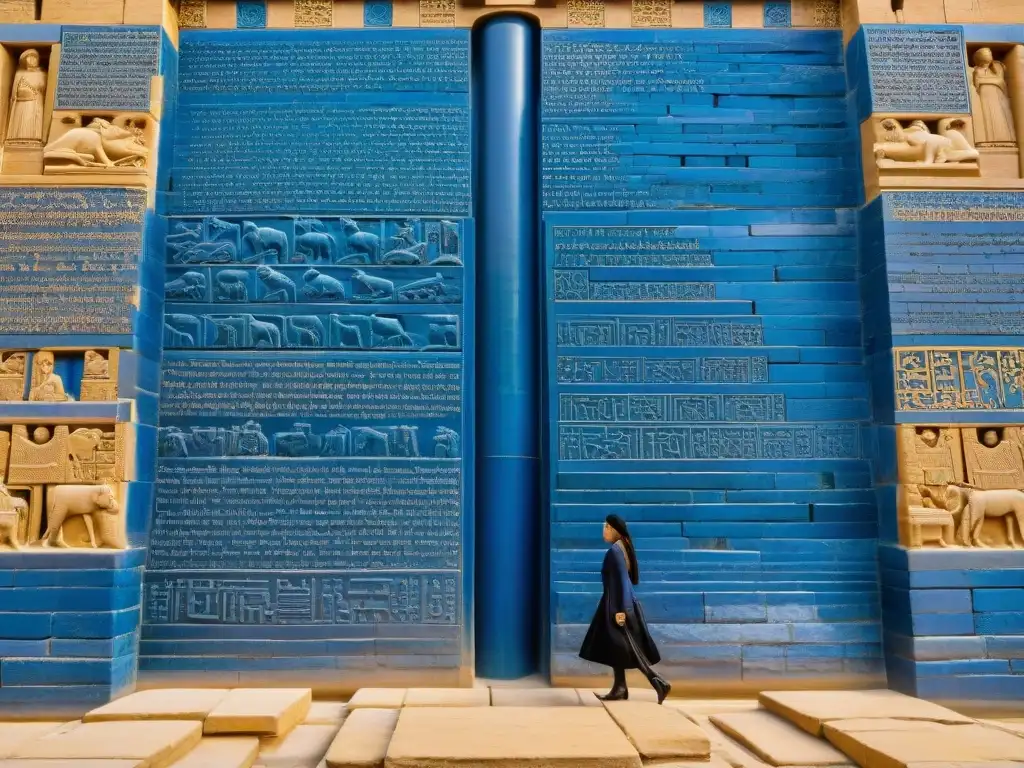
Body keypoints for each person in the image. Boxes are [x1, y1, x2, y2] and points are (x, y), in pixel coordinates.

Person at [579, 514, 671, 703]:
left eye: (605, 527)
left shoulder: (615, 550)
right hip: (616, 603)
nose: (603, 530)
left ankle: (659, 682)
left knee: (629, 648)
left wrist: (619, 611)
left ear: (613, 529)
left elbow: (621, 581)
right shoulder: (622, 548)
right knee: (616, 647)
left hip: (618, 606)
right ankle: (620, 688)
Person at [6, 49, 46, 144]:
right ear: (25, 61)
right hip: (20, 102)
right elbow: (14, 91)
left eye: (34, 58)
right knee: (19, 121)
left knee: (31, 120)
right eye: (29, 58)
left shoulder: (42, 74)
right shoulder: (19, 74)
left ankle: (33, 139)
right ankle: (15, 138)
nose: (32, 60)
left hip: (34, 102)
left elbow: (43, 88)